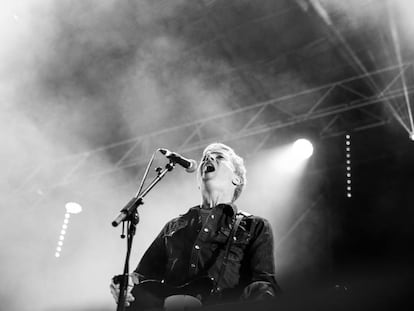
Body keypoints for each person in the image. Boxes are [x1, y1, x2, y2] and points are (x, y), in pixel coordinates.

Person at [110, 142, 281, 309]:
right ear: (198, 182)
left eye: (219, 156)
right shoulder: (174, 226)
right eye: (206, 156)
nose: (208, 157)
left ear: (236, 179)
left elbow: (263, 284)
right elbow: (141, 275)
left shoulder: (254, 226)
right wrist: (125, 284)